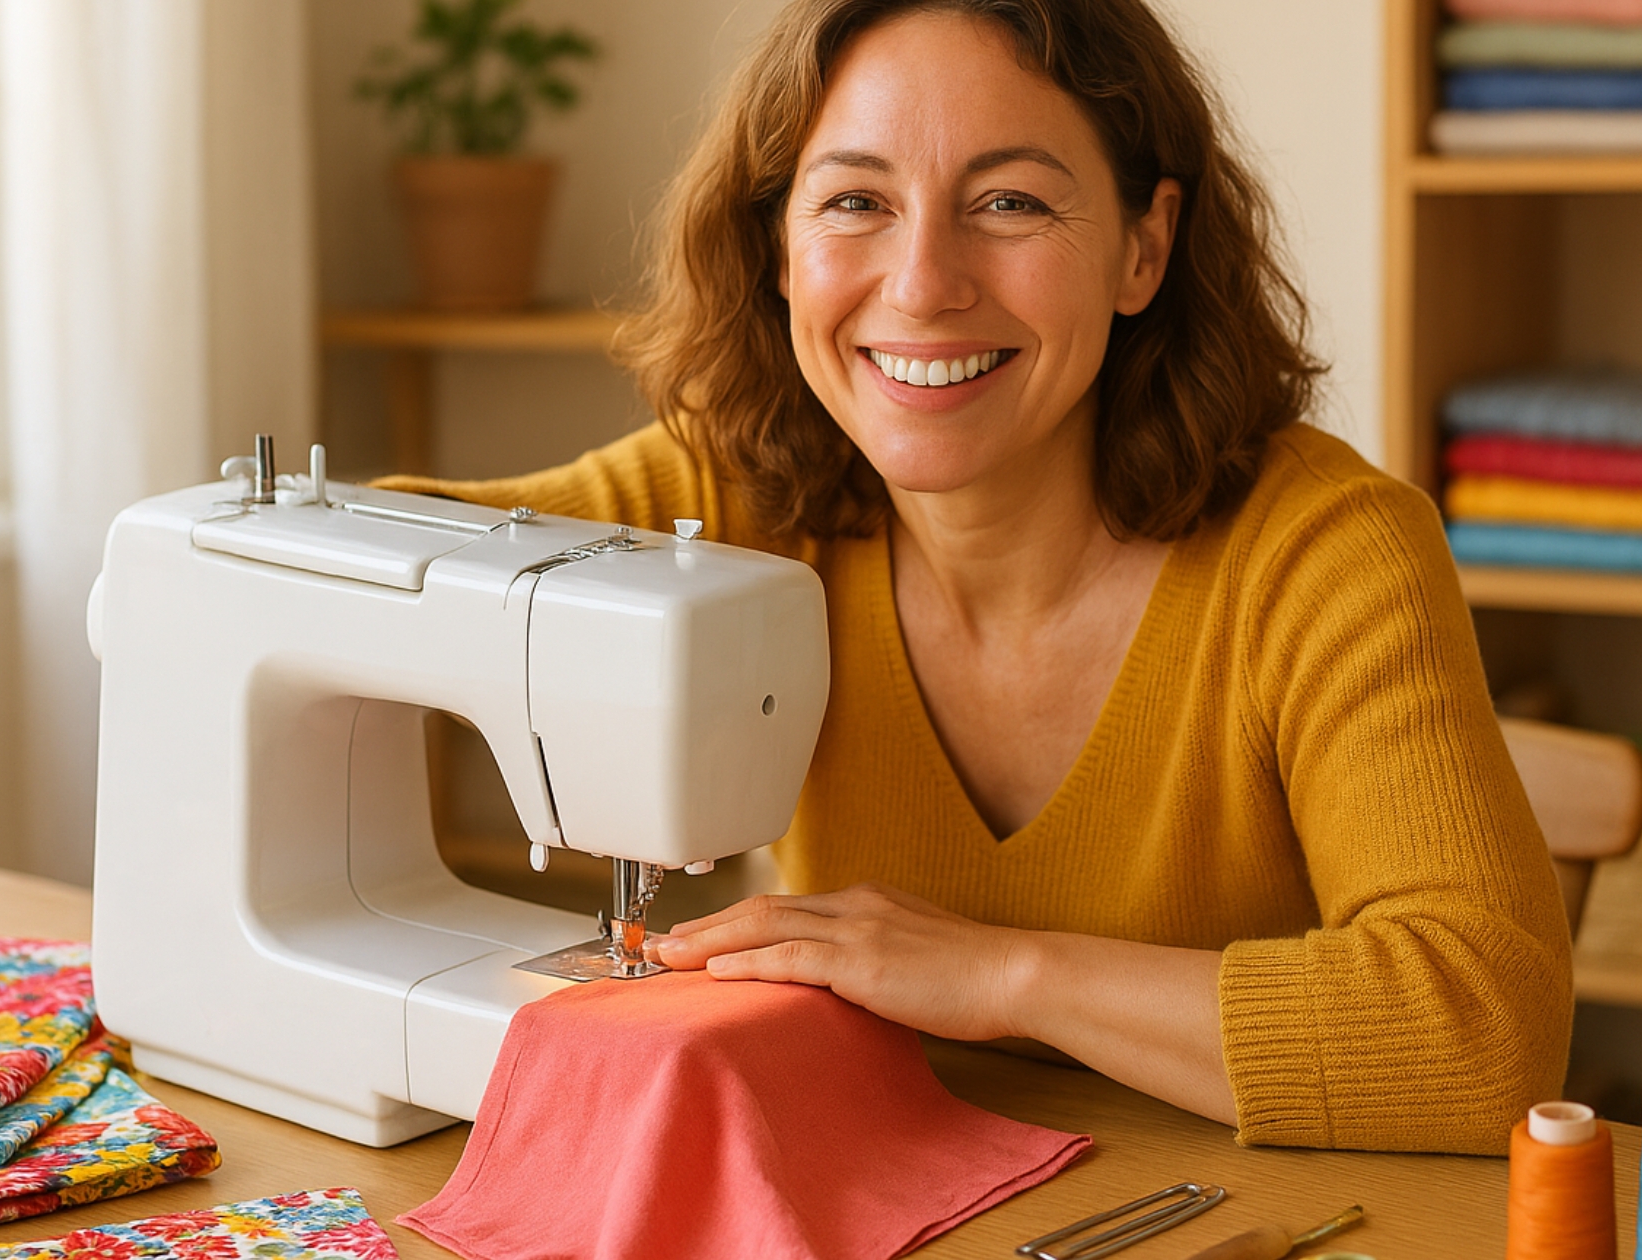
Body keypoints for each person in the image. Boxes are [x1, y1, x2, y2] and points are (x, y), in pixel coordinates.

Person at [380, 0, 1571, 1155]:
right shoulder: (733, 495)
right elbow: (345, 563)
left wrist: (997, 974)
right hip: (886, 1182)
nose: (920, 284)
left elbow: (1484, 1034)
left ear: (1142, 247)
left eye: (1009, 202)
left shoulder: (1322, 555)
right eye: (855, 201)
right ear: (778, 247)